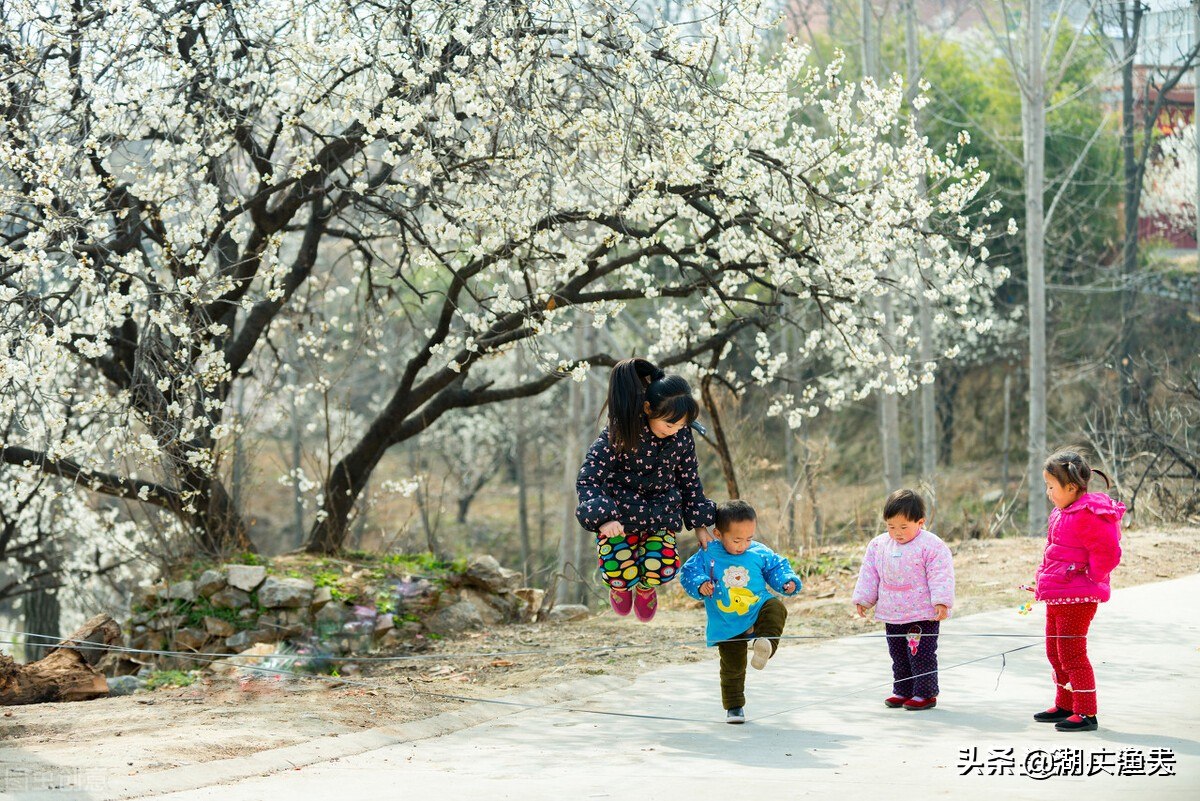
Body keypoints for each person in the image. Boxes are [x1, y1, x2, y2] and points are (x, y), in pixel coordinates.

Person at [576, 357, 716, 623]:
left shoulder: (681, 436)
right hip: (619, 517)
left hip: (661, 513)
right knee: (619, 570)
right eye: (669, 424)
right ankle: (620, 585)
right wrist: (604, 517)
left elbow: (689, 480)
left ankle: (644, 586)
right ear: (649, 408)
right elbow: (589, 478)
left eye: (681, 426)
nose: (674, 432)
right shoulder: (621, 431)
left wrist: (700, 524)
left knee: (661, 568)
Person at [680, 499, 801, 724]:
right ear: (718, 533)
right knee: (732, 665)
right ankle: (734, 707)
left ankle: (765, 643)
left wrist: (786, 581)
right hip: (727, 620)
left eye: (749, 538)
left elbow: (777, 566)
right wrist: (700, 583)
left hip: (756, 608)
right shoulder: (708, 553)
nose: (743, 545)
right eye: (736, 540)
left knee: (776, 607)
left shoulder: (758, 552)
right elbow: (688, 572)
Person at [1030, 450, 1124, 732]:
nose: (1048, 493)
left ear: (1071, 487)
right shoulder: (1062, 511)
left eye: (1051, 487)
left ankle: (1086, 712)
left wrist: (1091, 577)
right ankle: (1066, 703)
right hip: (1058, 593)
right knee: (1054, 651)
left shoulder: (1088, 514)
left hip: (1078, 596)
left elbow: (1108, 551)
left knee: (1072, 653)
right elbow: (1054, 552)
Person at [852, 488, 955, 711]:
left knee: (920, 654)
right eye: (891, 527)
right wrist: (864, 599)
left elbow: (940, 574)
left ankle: (925, 693)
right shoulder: (879, 545)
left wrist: (941, 601)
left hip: (922, 613)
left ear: (920, 522)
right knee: (898, 654)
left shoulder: (931, 545)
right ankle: (903, 689)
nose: (897, 532)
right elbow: (870, 573)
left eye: (903, 527)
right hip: (892, 612)